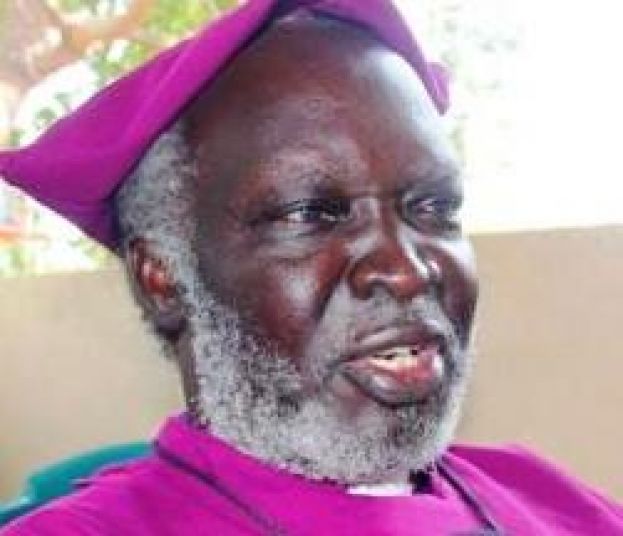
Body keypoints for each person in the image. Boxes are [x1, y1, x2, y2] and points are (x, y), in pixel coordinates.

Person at [1, 1, 621, 534]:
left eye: (433, 208)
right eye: (312, 214)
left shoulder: (553, 499)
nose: (406, 270)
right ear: (162, 276)